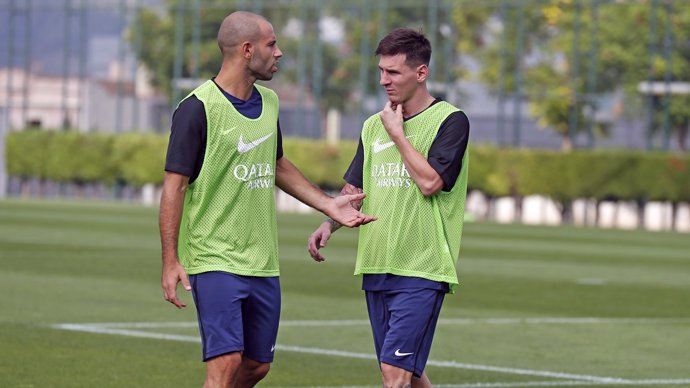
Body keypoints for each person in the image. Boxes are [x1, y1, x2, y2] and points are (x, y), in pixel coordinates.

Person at [159, 11, 375, 388]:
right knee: (224, 364)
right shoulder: (197, 108)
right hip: (215, 258)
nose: (279, 53)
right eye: (271, 44)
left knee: (256, 366)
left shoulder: (269, 103)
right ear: (246, 50)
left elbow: (276, 164)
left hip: (263, 263)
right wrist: (170, 260)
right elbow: (173, 187)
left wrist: (327, 204)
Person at [308, 28, 470, 388]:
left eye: (393, 72)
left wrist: (398, 134)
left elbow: (431, 183)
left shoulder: (451, 121)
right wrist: (329, 222)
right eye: (381, 71)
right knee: (407, 375)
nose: (384, 80)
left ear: (421, 73)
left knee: (393, 375)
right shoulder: (372, 126)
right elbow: (356, 187)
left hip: (421, 267)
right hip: (376, 263)